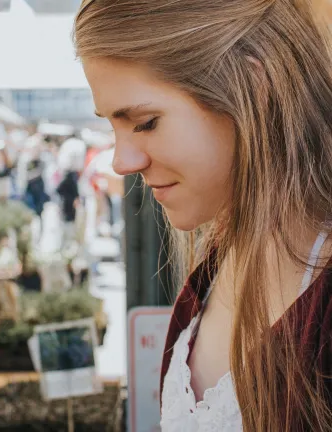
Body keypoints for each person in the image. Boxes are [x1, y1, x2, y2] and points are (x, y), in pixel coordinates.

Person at [74, 1, 332, 430]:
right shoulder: (217, 261)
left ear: (255, 84)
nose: (121, 161)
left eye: (145, 122)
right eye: (112, 126)